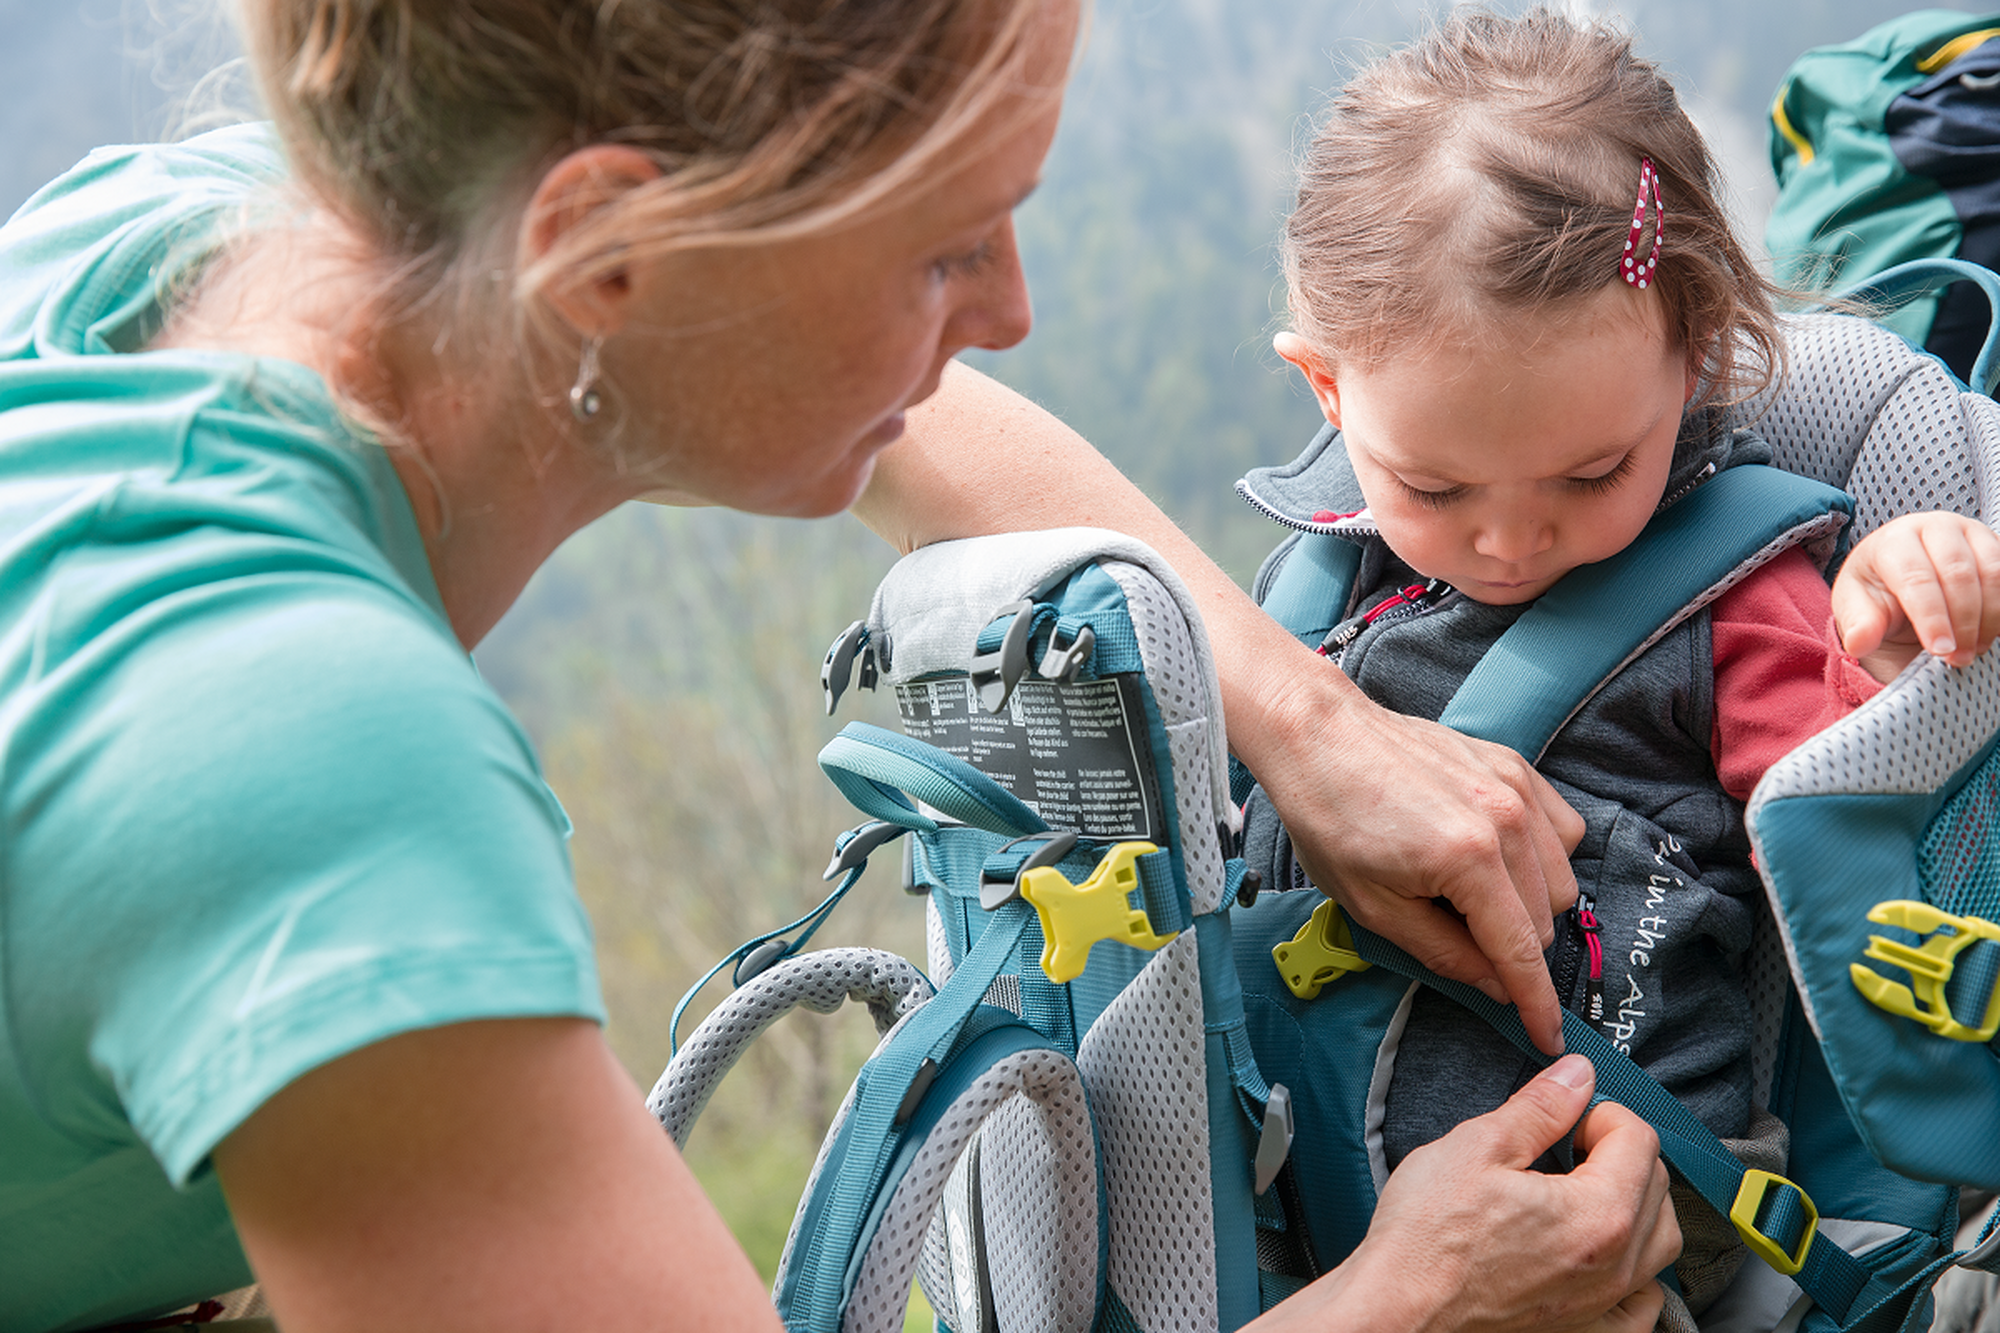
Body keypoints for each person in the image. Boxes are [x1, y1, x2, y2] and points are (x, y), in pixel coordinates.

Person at [0, 2, 1684, 1331]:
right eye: (945, 249)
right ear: (611, 253)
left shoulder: (207, 251)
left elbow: (922, 420)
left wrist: (1309, 724)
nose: (1012, 311)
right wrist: (1408, 1299)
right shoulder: (300, 762)